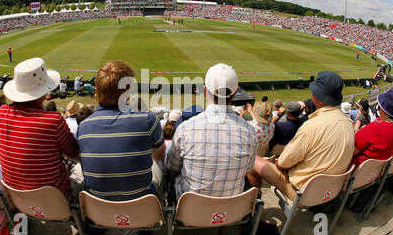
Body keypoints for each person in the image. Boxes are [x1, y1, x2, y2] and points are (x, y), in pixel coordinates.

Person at [248, 71, 355, 201]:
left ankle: (251, 206)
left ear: (316, 96)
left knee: (252, 161)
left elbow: (282, 163)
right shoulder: (349, 123)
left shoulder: (312, 126)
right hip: (330, 190)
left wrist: (278, 163)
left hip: (303, 193)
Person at [77, 61, 165, 202]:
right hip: (141, 205)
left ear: (98, 89)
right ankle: (160, 205)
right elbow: (159, 155)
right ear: (128, 90)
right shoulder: (147, 119)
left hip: (100, 209)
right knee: (158, 162)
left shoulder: (83, 126)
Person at [167, 63, 257, 200]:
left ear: (204, 90)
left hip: (191, 211)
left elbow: (173, 166)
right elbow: (248, 169)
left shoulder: (186, 128)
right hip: (232, 211)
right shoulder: (250, 132)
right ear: (235, 91)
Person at [0, 58, 79, 199]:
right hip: (56, 199)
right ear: (44, 93)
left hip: (20, 198)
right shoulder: (53, 121)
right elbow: (73, 152)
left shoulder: (0, 113)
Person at [351, 89, 393, 168]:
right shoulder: (390, 129)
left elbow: (350, 150)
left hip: (355, 172)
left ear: (383, 110)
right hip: (373, 173)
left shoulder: (375, 129)